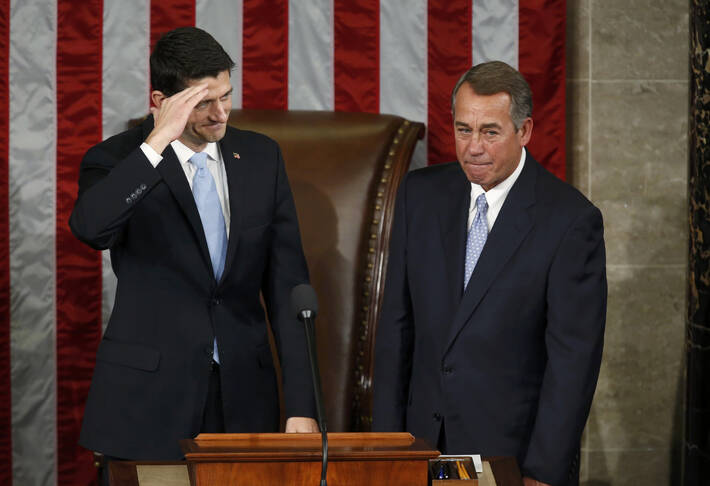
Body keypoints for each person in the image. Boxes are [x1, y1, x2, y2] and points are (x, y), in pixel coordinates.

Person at [69, 27, 318, 470]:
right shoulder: (116, 160)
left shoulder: (261, 157)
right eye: (203, 102)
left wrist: (301, 404)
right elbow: (91, 229)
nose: (221, 113)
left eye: (226, 96)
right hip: (148, 403)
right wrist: (154, 145)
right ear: (161, 100)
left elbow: (288, 285)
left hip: (244, 399)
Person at [372, 61, 607, 486]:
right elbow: (395, 330)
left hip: (509, 460)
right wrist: (387, 449)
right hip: (419, 449)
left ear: (525, 131)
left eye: (490, 132)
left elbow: (572, 365)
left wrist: (542, 473)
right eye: (464, 130)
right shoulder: (419, 196)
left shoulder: (570, 221)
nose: (473, 147)